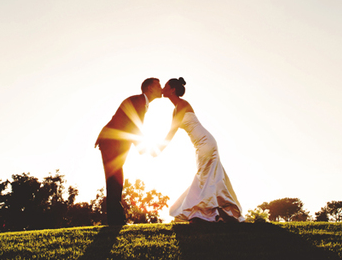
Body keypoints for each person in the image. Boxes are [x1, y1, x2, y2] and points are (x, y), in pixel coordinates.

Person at [156, 77, 245, 223]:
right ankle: (223, 213)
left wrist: (158, 149)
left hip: (205, 143)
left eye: (165, 86)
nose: (163, 88)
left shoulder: (182, 105)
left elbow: (171, 132)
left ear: (172, 90)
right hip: (202, 145)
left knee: (206, 178)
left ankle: (206, 214)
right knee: (211, 178)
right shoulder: (176, 108)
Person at [95, 77, 163, 225]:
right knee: (114, 180)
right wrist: (145, 149)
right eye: (158, 85)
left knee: (116, 180)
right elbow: (134, 126)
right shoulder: (138, 101)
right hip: (111, 142)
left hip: (114, 142)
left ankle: (117, 220)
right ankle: (116, 221)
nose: (161, 88)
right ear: (150, 88)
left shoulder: (141, 102)